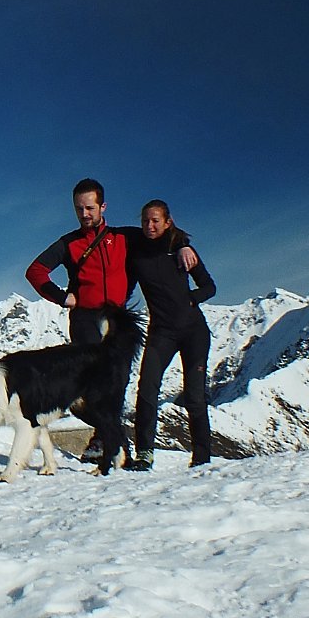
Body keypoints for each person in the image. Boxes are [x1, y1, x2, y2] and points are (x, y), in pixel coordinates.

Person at [25, 179, 196, 463]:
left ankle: (105, 441)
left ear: (103, 206)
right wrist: (61, 297)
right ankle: (111, 435)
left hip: (118, 323)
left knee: (117, 384)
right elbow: (36, 271)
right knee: (86, 389)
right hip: (85, 321)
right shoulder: (68, 243)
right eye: (79, 209)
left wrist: (183, 247)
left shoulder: (124, 237)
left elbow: (160, 234)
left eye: (90, 207)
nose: (84, 214)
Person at [125, 199, 217, 470]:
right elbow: (128, 287)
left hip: (193, 331)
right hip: (161, 331)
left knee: (194, 395)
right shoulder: (137, 254)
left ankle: (201, 457)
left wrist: (190, 299)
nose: (149, 226)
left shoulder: (181, 249)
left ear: (167, 222)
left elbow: (209, 286)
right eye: (145, 221)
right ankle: (144, 453)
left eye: (155, 220)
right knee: (147, 388)